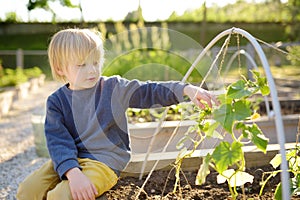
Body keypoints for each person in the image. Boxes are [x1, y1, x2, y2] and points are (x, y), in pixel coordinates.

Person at [17, 28, 217, 200]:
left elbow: (148, 91)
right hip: (71, 158)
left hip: (105, 160)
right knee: (27, 191)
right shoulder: (56, 101)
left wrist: (185, 90)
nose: (92, 70)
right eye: (81, 65)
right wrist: (72, 171)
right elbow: (58, 141)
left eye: (95, 62)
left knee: (60, 196)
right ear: (61, 69)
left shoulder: (113, 88)